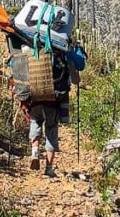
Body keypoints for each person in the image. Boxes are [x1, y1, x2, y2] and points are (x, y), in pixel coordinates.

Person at [28, 42, 86, 178]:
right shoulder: (63, 48)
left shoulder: (33, 46)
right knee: (51, 129)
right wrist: (73, 50)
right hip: (54, 98)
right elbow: (81, 65)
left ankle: (35, 151)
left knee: (35, 121)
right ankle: (48, 168)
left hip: (34, 95)